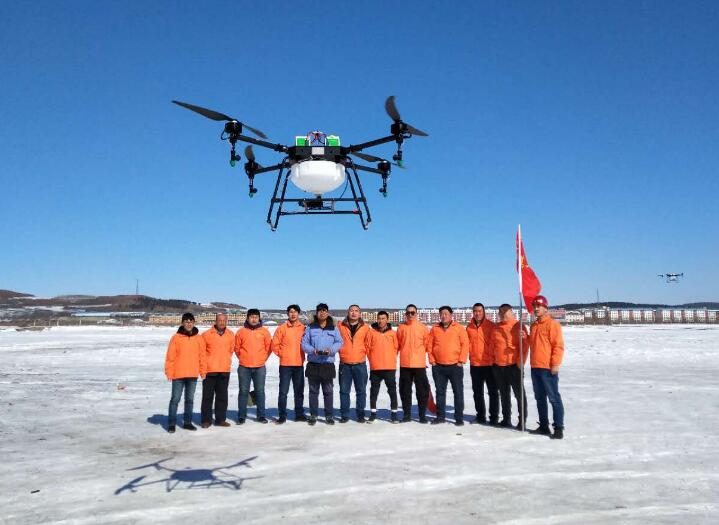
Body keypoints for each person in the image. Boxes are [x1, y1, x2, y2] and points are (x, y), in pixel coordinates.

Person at [528, 295, 565, 439]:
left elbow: (558, 346)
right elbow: (534, 344)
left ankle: (558, 427)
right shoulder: (534, 326)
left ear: (545, 308)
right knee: (540, 398)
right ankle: (544, 425)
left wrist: (555, 363)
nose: (536, 309)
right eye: (534, 306)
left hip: (548, 368)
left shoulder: (552, 325)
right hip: (535, 367)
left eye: (539, 306)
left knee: (554, 398)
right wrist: (524, 337)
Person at [301, 303, 343, 425]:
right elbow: (304, 343)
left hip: (327, 364)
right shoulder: (310, 327)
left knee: (328, 391)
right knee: (313, 391)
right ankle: (313, 415)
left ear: (327, 312)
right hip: (313, 363)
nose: (322, 313)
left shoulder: (333, 327)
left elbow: (339, 342)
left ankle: (329, 415)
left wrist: (331, 350)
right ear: (316, 312)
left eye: (324, 311)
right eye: (319, 311)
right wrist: (312, 350)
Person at [427, 306, 469, 426]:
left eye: (446, 313)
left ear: (451, 315)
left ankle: (459, 418)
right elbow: (429, 346)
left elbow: (465, 344)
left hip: (455, 366)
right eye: (441, 314)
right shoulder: (435, 328)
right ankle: (440, 416)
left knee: (458, 392)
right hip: (439, 367)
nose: (443, 316)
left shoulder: (459, 328)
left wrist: (461, 361)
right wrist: (433, 361)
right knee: (440, 392)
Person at [164, 312, 206, 433]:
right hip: (178, 375)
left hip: (192, 374)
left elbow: (202, 356)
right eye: (186, 321)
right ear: (182, 323)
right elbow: (170, 356)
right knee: (175, 399)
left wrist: (203, 371)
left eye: (191, 321)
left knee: (189, 400)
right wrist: (169, 371)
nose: (188, 324)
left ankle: (187, 422)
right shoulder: (176, 338)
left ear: (194, 323)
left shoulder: (199, 338)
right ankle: (171, 423)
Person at [491, 304, 529, 430]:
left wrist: (519, 363)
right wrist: (493, 361)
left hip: (514, 366)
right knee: (504, 394)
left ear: (511, 312)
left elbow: (525, 346)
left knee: (519, 395)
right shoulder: (496, 328)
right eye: (500, 312)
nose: (502, 314)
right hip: (499, 366)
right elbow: (492, 346)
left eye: (505, 311)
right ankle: (506, 419)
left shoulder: (519, 326)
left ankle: (522, 421)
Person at [234, 308, 272, 424]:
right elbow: (236, 348)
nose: (254, 319)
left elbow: (269, 348)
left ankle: (261, 415)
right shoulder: (241, 331)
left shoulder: (264, 331)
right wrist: (243, 358)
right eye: (252, 317)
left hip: (260, 367)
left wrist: (262, 358)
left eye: (256, 317)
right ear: (247, 318)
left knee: (260, 391)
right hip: (244, 367)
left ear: (259, 318)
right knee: (243, 391)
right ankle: (241, 416)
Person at [271, 304, 307, 424]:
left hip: (299, 364)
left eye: (295, 312)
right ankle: (282, 415)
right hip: (285, 365)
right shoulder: (281, 328)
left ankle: (299, 414)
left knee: (299, 391)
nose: (293, 314)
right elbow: (274, 345)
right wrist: (283, 354)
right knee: (283, 392)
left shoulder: (303, 328)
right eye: (291, 312)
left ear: (298, 314)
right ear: (287, 314)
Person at [397, 304, 431, 423]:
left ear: (416, 314)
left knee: (422, 391)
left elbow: (427, 345)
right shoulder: (401, 328)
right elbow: (398, 344)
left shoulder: (423, 328)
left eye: (413, 313)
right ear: (405, 314)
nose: (410, 315)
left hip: (419, 364)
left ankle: (422, 415)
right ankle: (407, 415)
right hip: (405, 364)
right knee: (405, 391)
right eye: (408, 313)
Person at [466, 303, 499, 425]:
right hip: (475, 364)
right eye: (475, 311)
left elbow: (496, 343)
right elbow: (466, 344)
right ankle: (480, 416)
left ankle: (494, 417)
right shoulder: (469, 327)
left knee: (493, 392)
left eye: (480, 311)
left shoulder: (491, 326)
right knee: (477, 392)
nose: (477, 313)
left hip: (490, 364)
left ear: (484, 312)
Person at [337, 304, 371, 423]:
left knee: (361, 391)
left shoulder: (365, 327)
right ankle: (344, 415)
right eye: (351, 311)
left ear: (360, 314)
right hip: (344, 364)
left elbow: (369, 344)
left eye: (356, 311)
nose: (354, 313)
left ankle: (360, 414)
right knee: (344, 391)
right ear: (348, 312)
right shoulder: (340, 326)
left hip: (360, 364)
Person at [200, 313, 235, 428]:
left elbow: (230, 351)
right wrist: (203, 370)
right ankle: (206, 420)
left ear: (227, 321)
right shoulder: (206, 335)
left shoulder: (230, 335)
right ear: (215, 321)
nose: (222, 322)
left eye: (224, 320)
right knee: (207, 397)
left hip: (224, 370)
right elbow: (201, 354)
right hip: (210, 370)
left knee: (222, 397)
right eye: (219, 320)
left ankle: (220, 419)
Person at [366, 311, 400, 423]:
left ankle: (394, 414)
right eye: (379, 318)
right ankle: (373, 413)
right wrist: (373, 360)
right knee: (374, 391)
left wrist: (390, 358)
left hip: (389, 367)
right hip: (375, 367)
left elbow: (396, 348)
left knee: (392, 391)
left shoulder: (393, 333)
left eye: (383, 318)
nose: (381, 321)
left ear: (387, 320)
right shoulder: (371, 332)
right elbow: (367, 348)